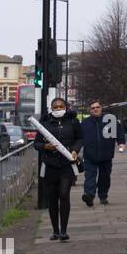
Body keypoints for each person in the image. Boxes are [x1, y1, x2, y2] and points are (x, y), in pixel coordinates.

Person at [37, 96, 83, 242]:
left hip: (66, 164)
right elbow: (36, 143)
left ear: (66, 107)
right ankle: (55, 231)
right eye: (55, 107)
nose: (58, 109)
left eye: (60, 107)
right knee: (52, 198)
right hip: (50, 164)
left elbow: (80, 138)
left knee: (64, 194)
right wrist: (45, 146)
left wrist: (75, 150)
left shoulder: (73, 121)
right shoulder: (44, 123)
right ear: (51, 109)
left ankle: (64, 231)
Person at [80, 100, 118, 206]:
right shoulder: (85, 123)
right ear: (90, 110)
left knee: (104, 177)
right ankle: (89, 195)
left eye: (97, 107)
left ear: (101, 108)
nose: (95, 109)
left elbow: (119, 131)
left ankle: (103, 196)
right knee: (90, 177)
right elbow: (79, 137)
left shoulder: (109, 121)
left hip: (106, 155)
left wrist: (121, 143)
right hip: (89, 155)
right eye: (93, 108)